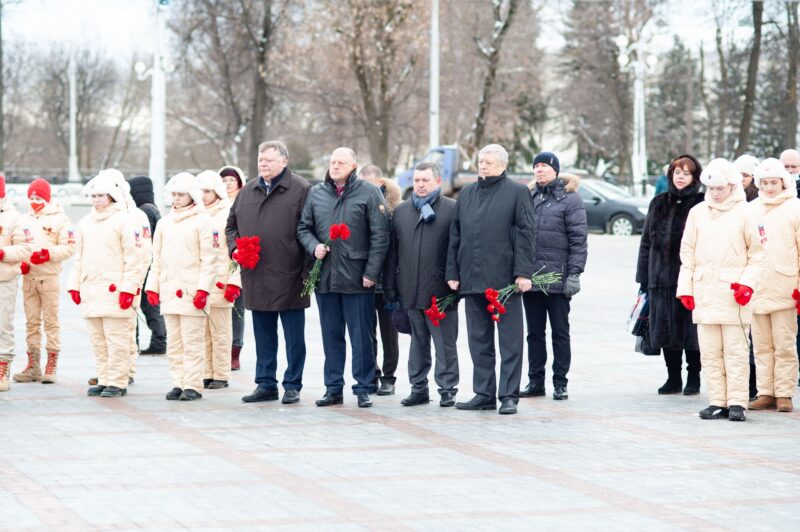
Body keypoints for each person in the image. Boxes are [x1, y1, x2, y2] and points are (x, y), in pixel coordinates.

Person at [297, 147, 390, 408]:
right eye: (332, 162)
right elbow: (304, 227)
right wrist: (313, 245)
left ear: (353, 166)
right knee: (331, 335)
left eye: (341, 162)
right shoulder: (317, 193)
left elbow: (380, 236)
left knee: (361, 336)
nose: (335, 166)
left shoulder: (369, 192)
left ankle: (363, 386)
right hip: (325, 277)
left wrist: (372, 272)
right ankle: (333, 387)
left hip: (358, 278)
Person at [446, 144, 535, 415]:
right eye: (480, 161)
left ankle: (508, 395)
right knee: (478, 340)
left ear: (502, 165)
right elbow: (455, 235)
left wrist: (523, 273)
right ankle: (483, 393)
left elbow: (526, 234)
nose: (482, 166)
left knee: (510, 342)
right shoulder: (468, 193)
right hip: (472, 280)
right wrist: (452, 272)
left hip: (505, 282)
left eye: (488, 162)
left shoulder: (518, 192)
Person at [677, 158, 766, 422]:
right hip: (705, 290)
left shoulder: (747, 212)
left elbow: (759, 254)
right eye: (711, 189)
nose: (715, 193)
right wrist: (686, 288)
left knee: (736, 350)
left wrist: (748, 284)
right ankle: (717, 400)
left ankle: (737, 401)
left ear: (731, 185)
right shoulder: (698, 212)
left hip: (733, 292)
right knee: (710, 351)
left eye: (720, 188)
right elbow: (687, 253)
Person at [226, 142, 310, 404]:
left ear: (284, 161)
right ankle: (265, 383)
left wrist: (307, 271)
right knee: (263, 335)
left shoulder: (301, 189)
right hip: (256, 274)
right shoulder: (248, 190)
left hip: (290, 274)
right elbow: (231, 227)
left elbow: (309, 228)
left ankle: (293, 384)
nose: (263, 164)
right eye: (261, 159)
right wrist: (234, 250)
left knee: (294, 337)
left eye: (269, 160)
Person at [384, 161, 460, 407]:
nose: (420, 185)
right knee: (417, 341)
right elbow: (393, 252)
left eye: (426, 180)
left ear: (438, 182)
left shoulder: (452, 209)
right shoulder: (402, 212)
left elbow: (458, 249)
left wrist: (455, 285)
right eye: (417, 180)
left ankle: (447, 389)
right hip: (410, 289)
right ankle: (418, 387)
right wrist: (391, 288)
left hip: (441, 292)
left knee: (444, 344)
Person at [68, 172, 145, 398]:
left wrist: (129, 289)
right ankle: (104, 378)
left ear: (112, 195)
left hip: (115, 290)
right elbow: (78, 257)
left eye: (101, 195)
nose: (97, 199)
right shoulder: (84, 223)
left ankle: (118, 381)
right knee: (98, 341)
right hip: (92, 290)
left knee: (116, 339)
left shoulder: (125, 221)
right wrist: (74, 285)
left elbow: (134, 258)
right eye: (93, 195)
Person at [520, 153, 588, 401]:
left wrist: (574, 273)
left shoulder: (570, 199)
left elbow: (579, 240)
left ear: (556, 171)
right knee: (534, 333)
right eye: (536, 166)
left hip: (558, 280)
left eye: (545, 166)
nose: (539, 170)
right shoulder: (528, 197)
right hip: (532, 279)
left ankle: (560, 382)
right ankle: (535, 381)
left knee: (560, 332)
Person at [635, 155, 705, 395]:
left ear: (695, 177)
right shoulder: (658, 203)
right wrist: (643, 277)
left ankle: (693, 377)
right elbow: (646, 242)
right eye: (677, 173)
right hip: (659, 278)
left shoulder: (701, 203)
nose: (681, 177)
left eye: (686, 173)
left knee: (691, 331)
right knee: (665, 329)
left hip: (689, 278)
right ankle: (673, 377)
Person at [145, 173, 217, 401]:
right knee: (174, 342)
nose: (176, 199)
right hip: (169, 289)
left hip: (191, 290)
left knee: (192, 341)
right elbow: (155, 258)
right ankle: (178, 381)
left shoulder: (204, 221)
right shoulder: (165, 223)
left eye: (181, 195)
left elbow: (210, 259)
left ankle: (193, 384)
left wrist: (203, 290)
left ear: (191, 195)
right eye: (174, 195)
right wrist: (153, 287)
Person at [748, 158, 800, 413]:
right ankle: (765, 391)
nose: (769, 188)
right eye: (765, 183)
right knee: (761, 345)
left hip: (785, 286)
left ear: (784, 182)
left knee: (784, 344)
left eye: (774, 182)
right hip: (757, 288)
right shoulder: (751, 209)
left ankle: (784, 393)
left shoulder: (795, 208)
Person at [13, 178, 75, 385]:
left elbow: (69, 247)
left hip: (48, 277)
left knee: (51, 321)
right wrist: (20, 263)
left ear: (47, 198)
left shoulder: (61, 219)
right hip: (28, 277)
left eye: (38, 197)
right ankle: (33, 365)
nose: (34, 201)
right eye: (31, 197)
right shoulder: (23, 219)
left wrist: (49, 254)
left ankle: (51, 364)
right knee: (31, 322)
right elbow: (19, 245)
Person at [196, 170, 240, 390]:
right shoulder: (196, 214)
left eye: (207, 191)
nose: (203, 195)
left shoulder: (228, 213)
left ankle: (221, 374)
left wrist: (234, 280)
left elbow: (235, 250)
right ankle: (206, 372)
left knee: (220, 332)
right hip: (200, 282)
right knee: (202, 332)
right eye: (200, 191)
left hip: (221, 280)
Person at [359, 163, 400, 395]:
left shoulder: (395, 209)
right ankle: (372, 373)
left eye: (370, 184)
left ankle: (389, 376)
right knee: (367, 332)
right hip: (363, 280)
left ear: (380, 183)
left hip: (388, 282)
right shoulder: (358, 205)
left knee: (389, 333)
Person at [0, 175, 35, 392]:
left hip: (4, 279)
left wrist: (3, 253)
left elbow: (25, 248)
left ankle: (3, 367)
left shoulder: (14, 218)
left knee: (2, 325)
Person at [128, 175, 167, 355]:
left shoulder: (143, 211)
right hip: (152, 263)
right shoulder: (152, 208)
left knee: (148, 305)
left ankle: (159, 341)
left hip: (146, 264)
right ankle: (159, 341)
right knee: (150, 305)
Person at [220, 164, 247, 371]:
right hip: (218, 260)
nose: (228, 184)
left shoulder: (244, 201)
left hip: (238, 258)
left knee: (237, 308)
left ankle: (234, 350)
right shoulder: (215, 204)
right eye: (224, 180)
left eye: (231, 180)